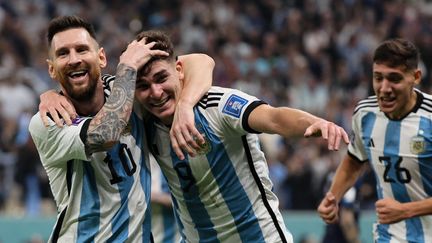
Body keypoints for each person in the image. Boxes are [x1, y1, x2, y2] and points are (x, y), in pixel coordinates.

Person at [133, 30, 350, 243]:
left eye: (161, 78)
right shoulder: (145, 121)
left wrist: (316, 122)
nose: (156, 92)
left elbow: (274, 118)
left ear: (179, 69)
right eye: (143, 86)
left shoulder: (218, 105)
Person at [29, 15, 213, 242]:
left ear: (102, 57)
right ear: (52, 70)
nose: (74, 59)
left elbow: (201, 62)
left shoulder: (128, 93)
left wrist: (184, 105)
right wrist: (127, 67)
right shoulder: (47, 121)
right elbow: (105, 133)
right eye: (63, 53)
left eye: (82, 49)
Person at [318, 38, 432, 242]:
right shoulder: (365, 114)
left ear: (415, 77)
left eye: (394, 79)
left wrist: (406, 210)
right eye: (378, 78)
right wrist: (334, 196)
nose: (384, 88)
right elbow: (354, 161)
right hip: (389, 236)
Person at [150, 155, 179, 243]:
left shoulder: (171, 163)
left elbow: (187, 201)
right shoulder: (137, 162)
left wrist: (155, 197)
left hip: (172, 238)